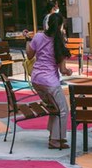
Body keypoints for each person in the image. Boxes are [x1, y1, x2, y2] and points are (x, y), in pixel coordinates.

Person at [26, 13, 73, 149]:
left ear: (48, 23)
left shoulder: (38, 36)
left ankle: (54, 136)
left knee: (54, 107)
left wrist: (28, 40)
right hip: (50, 83)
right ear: (60, 26)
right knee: (63, 110)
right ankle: (55, 140)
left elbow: (30, 55)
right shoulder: (60, 42)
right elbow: (63, 70)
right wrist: (69, 71)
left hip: (36, 79)